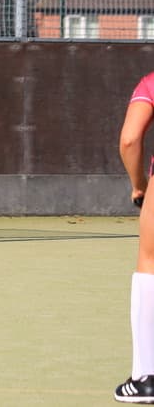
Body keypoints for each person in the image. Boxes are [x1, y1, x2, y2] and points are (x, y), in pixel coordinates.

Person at [116, 71, 154, 403]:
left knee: (150, 264)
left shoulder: (151, 82)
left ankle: (147, 377)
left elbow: (130, 139)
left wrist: (139, 185)